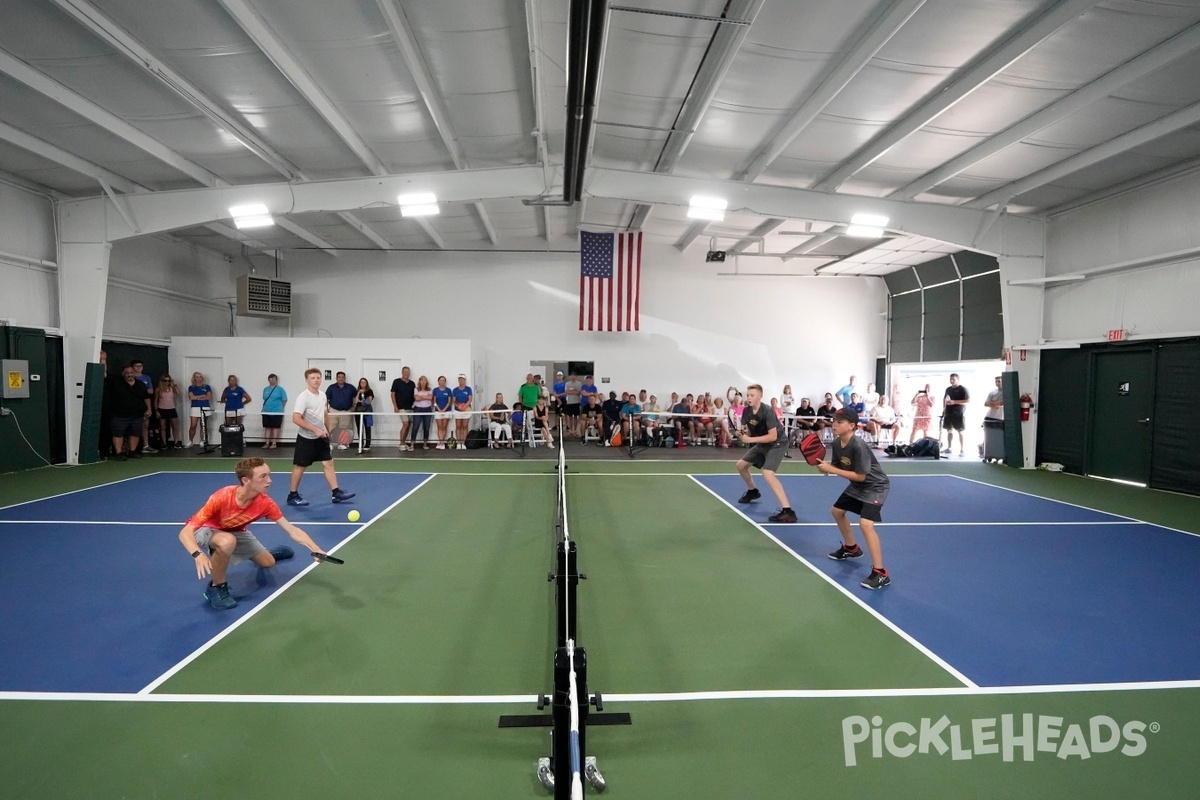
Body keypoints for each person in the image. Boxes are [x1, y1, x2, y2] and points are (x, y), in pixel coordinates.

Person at [178, 456, 330, 610]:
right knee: (227, 541)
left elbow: (291, 529)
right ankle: (216, 588)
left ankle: (267, 554)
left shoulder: (265, 503)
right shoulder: (222, 497)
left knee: (268, 563)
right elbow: (185, 532)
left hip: (235, 531)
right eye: (263, 477)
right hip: (205, 529)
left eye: (269, 475)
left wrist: (315, 548)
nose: (269, 480)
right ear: (246, 480)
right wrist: (197, 554)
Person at [818, 408, 892, 590]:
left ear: (852, 426)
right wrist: (824, 467)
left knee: (866, 524)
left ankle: (881, 573)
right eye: (834, 420)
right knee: (836, 511)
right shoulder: (836, 443)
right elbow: (836, 466)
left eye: (839, 422)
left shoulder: (858, 445)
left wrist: (832, 470)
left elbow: (861, 476)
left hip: (875, 486)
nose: (834, 424)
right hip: (859, 485)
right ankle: (851, 548)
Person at [286, 368, 356, 507]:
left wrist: (328, 431)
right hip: (306, 438)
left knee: (328, 463)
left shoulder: (323, 396)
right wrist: (315, 430)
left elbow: (325, 415)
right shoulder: (303, 397)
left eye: (318, 377)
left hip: (321, 437)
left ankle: (336, 493)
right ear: (307, 380)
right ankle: (292, 495)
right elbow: (296, 418)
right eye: (313, 378)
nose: (316, 380)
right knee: (301, 466)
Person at [735, 384, 796, 522]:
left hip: (777, 443)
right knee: (740, 465)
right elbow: (747, 431)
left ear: (760, 397)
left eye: (752, 395)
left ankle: (788, 512)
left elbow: (773, 436)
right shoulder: (746, 411)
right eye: (748, 395)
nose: (749, 398)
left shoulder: (767, 411)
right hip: (762, 443)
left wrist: (750, 439)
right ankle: (753, 492)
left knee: (767, 474)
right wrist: (742, 433)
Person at [108, 364, 152, 460]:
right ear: (123, 374)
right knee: (118, 434)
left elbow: (146, 397)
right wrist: (103, 360)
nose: (130, 375)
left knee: (135, 433)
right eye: (127, 373)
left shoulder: (140, 384)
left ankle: (132, 451)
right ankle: (118, 453)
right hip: (119, 415)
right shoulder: (116, 383)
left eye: (132, 372)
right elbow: (104, 374)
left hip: (137, 415)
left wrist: (149, 409)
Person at [941, 373, 970, 456]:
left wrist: (954, 402)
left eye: (953, 379)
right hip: (948, 413)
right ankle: (949, 448)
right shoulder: (948, 389)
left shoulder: (963, 389)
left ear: (958, 379)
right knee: (949, 431)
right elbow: (944, 399)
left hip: (958, 413)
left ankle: (962, 450)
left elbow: (968, 400)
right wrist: (944, 408)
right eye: (950, 379)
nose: (951, 381)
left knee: (960, 431)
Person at [325, 372, 356, 448]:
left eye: (342, 377)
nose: (341, 378)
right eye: (339, 377)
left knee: (345, 427)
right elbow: (326, 399)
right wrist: (326, 409)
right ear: (336, 378)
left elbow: (356, 397)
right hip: (333, 411)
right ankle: (330, 443)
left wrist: (353, 408)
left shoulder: (350, 387)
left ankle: (342, 444)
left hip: (346, 411)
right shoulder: (331, 387)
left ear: (345, 378)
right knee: (331, 427)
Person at [131, 360, 156, 453]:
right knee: (132, 425)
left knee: (145, 425)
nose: (138, 367)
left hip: (144, 405)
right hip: (132, 405)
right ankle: (131, 447)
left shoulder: (146, 377)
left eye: (140, 365)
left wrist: (141, 390)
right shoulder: (130, 377)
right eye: (136, 366)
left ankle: (145, 445)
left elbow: (150, 391)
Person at [390, 366, 416, 451]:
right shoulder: (396, 382)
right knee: (406, 424)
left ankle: (404, 443)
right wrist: (395, 406)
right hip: (401, 408)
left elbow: (414, 396)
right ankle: (401, 443)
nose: (406, 374)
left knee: (408, 426)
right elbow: (393, 394)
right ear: (402, 372)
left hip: (410, 408)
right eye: (405, 372)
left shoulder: (412, 383)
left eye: (408, 372)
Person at [260, 373, 287, 450]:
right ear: (268, 380)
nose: (272, 380)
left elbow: (284, 400)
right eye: (270, 378)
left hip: (277, 412)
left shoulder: (280, 389)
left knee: (275, 427)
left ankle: (274, 443)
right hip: (266, 411)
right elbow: (264, 399)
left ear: (276, 380)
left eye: (274, 378)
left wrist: (279, 408)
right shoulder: (265, 389)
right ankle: (267, 443)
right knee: (267, 427)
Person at [155, 374, 182, 449]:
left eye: (169, 380)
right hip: (162, 408)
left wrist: (174, 384)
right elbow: (155, 400)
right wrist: (156, 410)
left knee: (175, 426)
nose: (167, 382)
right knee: (163, 426)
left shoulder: (172, 388)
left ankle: (176, 442)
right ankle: (164, 443)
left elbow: (178, 393)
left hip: (171, 408)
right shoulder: (159, 389)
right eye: (165, 381)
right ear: (162, 381)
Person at [187, 372, 213, 447]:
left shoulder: (207, 387)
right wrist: (202, 395)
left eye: (200, 377)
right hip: (195, 407)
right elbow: (191, 397)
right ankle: (190, 441)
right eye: (197, 377)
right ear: (194, 378)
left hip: (205, 407)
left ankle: (202, 440)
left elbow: (208, 397)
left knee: (203, 425)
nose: (199, 378)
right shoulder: (191, 387)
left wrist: (197, 397)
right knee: (193, 425)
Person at [411, 375, 433, 449]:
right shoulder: (416, 389)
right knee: (415, 426)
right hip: (418, 409)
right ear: (419, 381)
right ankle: (412, 444)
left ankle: (425, 443)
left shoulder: (430, 389)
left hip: (427, 409)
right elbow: (416, 398)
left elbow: (430, 398)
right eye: (422, 380)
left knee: (426, 427)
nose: (423, 382)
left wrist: (421, 397)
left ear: (427, 382)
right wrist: (426, 397)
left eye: (425, 380)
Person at [452, 374, 473, 449]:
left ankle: (463, 443)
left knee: (464, 426)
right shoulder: (455, 390)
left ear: (465, 380)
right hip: (457, 410)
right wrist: (459, 407)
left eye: (462, 379)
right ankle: (458, 443)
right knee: (458, 426)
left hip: (466, 410)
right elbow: (454, 401)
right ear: (458, 380)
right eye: (460, 379)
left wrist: (464, 407)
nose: (461, 381)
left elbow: (470, 399)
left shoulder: (468, 389)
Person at [432, 375, 453, 449]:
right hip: (438, 411)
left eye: (443, 380)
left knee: (444, 427)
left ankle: (442, 442)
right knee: (439, 427)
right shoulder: (435, 390)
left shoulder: (448, 390)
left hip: (446, 411)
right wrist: (439, 409)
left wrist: (444, 410)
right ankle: (440, 442)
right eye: (441, 380)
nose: (442, 382)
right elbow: (434, 402)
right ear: (438, 382)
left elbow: (449, 401)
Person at [355, 378, 375, 452]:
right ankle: (361, 443)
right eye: (361, 382)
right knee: (359, 428)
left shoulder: (370, 391)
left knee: (367, 427)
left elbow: (369, 401)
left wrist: (362, 401)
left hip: (367, 411)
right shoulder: (357, 391)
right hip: (358, 411)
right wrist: (358, 393)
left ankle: (367, 444)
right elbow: (356, 401)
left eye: (364, 382)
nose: (363, 384)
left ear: (367, 383)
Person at [564, 372, 583, 438]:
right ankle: (570, 430)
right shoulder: (567, 383)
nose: (573, 377)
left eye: (574, 376)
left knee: (575, 417)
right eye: (571, 376)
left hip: (576, 402)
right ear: (570, 376)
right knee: (569, 417)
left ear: (576, 376)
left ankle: (575, 430)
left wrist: (571, 391)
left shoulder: (579, 383)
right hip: (569, 402)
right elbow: (566, 392)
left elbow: (579, 392)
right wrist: (574, 391)